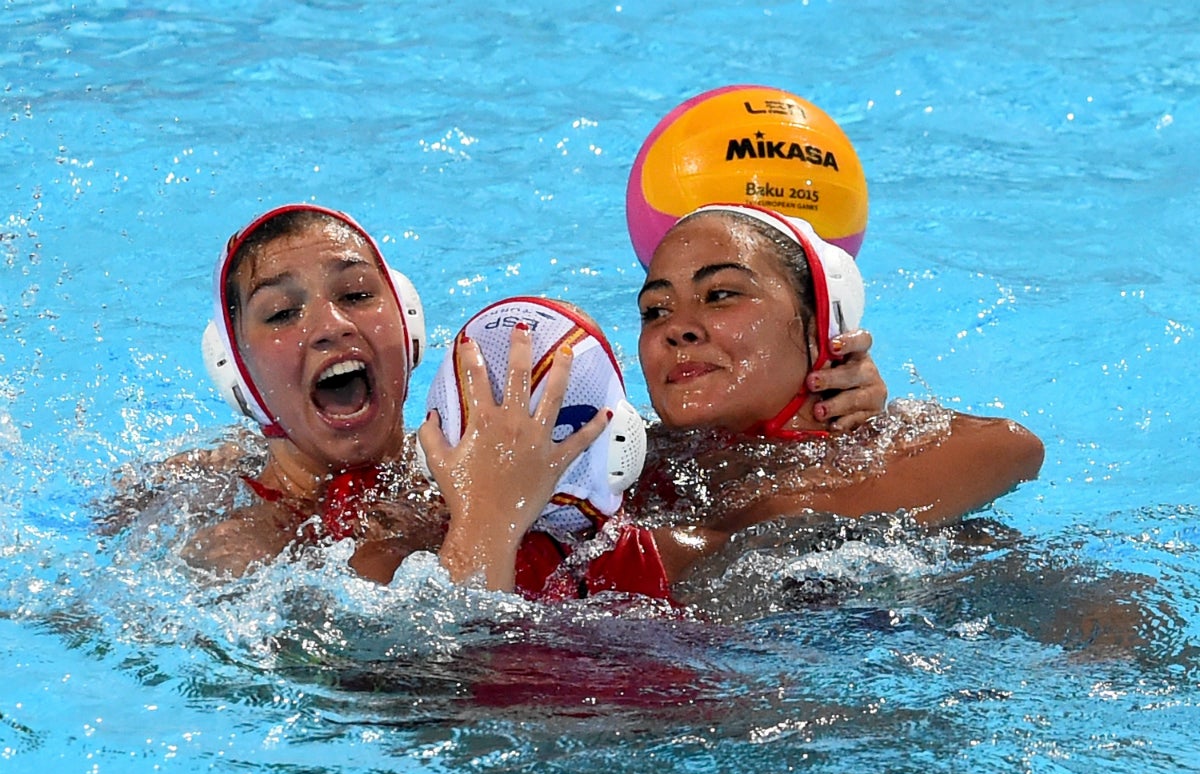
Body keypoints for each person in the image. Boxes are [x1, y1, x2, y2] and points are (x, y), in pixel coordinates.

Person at [181, 204, 611, 591]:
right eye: (281, 313)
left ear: (410, 328)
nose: (332, 325)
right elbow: (437, 668)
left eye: (356, 295)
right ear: (235, 370)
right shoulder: (240, 556)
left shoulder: (477, 460)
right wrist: (490, 519)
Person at [626, 203, 1045, 579]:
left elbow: (1013, 447)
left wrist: (768, 518)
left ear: (819, 329)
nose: (676, 329)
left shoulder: (879, 448)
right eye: (655, 310)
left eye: (720, 295)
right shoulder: (626, 459)